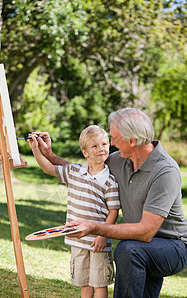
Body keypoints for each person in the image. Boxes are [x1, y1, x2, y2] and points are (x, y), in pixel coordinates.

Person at [32, 108, 187, 298]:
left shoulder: (165, 171)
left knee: (128, 250)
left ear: (132, 141)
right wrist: (48, 153)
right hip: (142, 245)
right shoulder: (120, 160)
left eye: (114, 138)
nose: (111, 143)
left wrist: (95, 228)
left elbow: (146, 231)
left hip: (173, 246)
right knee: (134, 253)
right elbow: (85, 172)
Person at [28, 125, 120, 298]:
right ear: (85, 152)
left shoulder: (110, 181)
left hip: (98, 242)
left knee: (100, 284)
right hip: (77, 241)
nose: (101, 149)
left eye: (104, 144)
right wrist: (36, 150)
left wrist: (103, 235)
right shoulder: (74, 171)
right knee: (84, 283)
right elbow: (48, 169)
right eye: (95, 146)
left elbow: (113, 211)